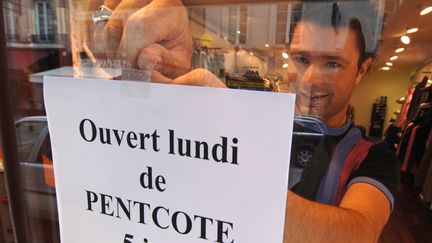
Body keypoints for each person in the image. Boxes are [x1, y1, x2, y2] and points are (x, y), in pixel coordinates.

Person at [84, 0, 400, 242]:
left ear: (362, 69)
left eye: (332, 64)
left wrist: (228, 156)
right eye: (301, 59)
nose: (310, 79)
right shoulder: (257, 121)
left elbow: (358, 233)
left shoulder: (374, 157)